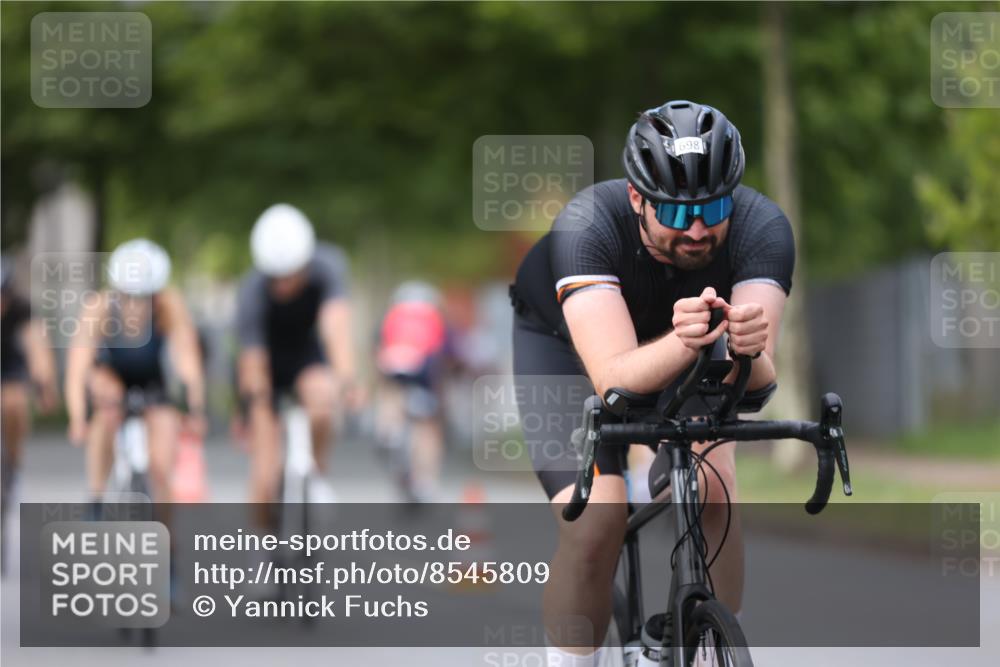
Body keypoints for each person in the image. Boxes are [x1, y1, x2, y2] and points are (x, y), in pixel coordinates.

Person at [509, 100, 794, 664]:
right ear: (637, 197)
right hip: (566, 348)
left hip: (683, 344)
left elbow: (757, 386)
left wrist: (746, 345)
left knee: (714, 484)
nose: (696, 228)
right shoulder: (586, 225)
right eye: (675, 210)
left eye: (713, 207)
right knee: (595, 523)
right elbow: (614, 385)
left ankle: (712, 644)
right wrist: (690, 341)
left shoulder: (763, 229)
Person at [235, 204, 361, 515]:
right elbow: (252, 360)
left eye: (291, 276)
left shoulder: (327, 267)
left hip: (305, 356)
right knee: (264, 470)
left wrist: (347, 379)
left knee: (322, 397)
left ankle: (314, 472)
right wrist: (256, 405)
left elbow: (336, 329)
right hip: (265, 363)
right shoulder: (251, 289)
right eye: (275, 278)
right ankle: (261, 544)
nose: (283, 286)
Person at [64, 239, 206, 506]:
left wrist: (195, 409)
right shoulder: (99, 307)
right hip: (111, 378)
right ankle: (96, 495)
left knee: (162, 460)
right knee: (105, 410)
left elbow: (188, 362)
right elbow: (77, 367)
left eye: (143, 298)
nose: (135, 306)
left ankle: (165, 528)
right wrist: (77, 417)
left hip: (153, 381)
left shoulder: (170, 306)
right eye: (127, 296)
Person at [1, 257, 58, 574]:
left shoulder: (22, 308)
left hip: (10, 370)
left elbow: (39, 349)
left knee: (13, 403)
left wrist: (45, 386)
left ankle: (13, 459)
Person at [374, 281, 452, 502]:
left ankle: (388, 429)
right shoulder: (436, 318)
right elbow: (442, 357)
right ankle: (426, 479)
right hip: (423, 368)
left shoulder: (391, 316)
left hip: (393, 363)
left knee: (390, 392)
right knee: (428, 425)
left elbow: (377, 350)